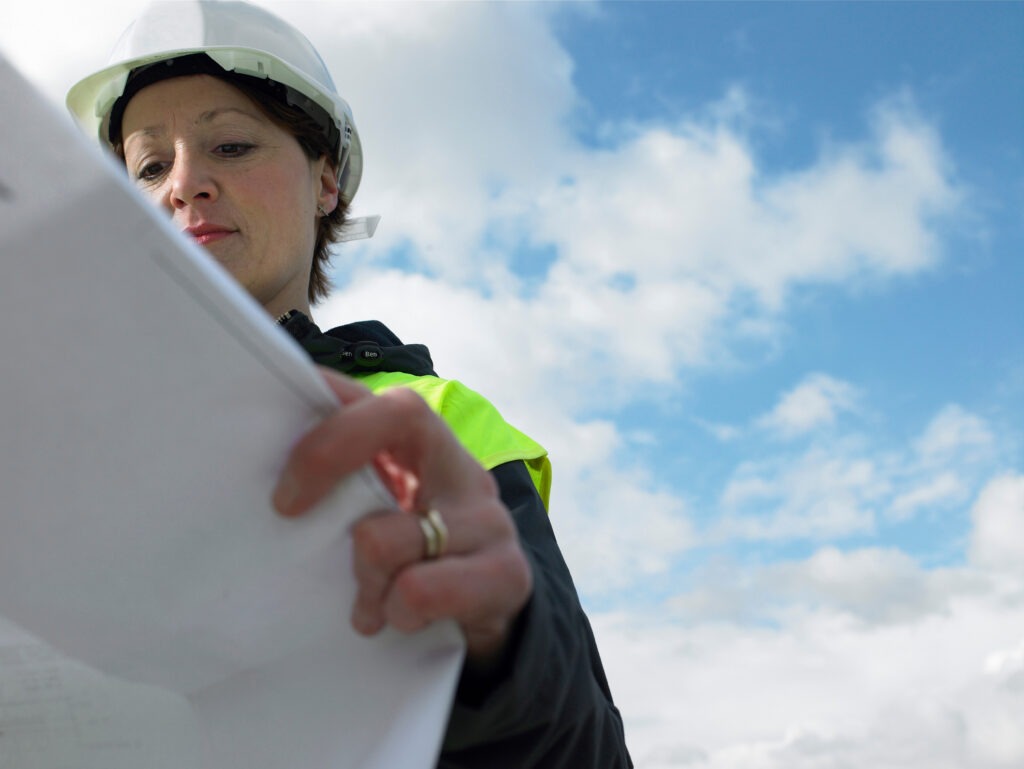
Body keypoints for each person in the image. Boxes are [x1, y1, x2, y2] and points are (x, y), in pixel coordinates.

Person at [66, 2, 632, 767]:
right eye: (150, 167)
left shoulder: (435, 418)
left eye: (230, 145)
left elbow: (584, 749)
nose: (185, 184)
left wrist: (506, 650)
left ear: (326, 181)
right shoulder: (61, 431)